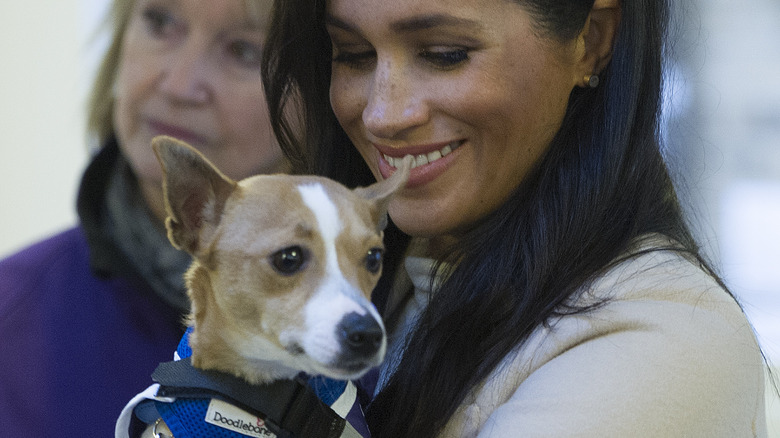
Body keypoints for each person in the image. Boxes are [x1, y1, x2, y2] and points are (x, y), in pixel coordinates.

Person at [261, 0, 768, 436]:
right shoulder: (376, 274)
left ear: (591, 40)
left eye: (444, 55)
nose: (383, 115)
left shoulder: (664, 342)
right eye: (353, 56)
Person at [0, 0, 288, 436]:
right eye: (160, 22)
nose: (177, 84)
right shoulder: (13, 317)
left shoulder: (391, 324)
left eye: (244, 51)